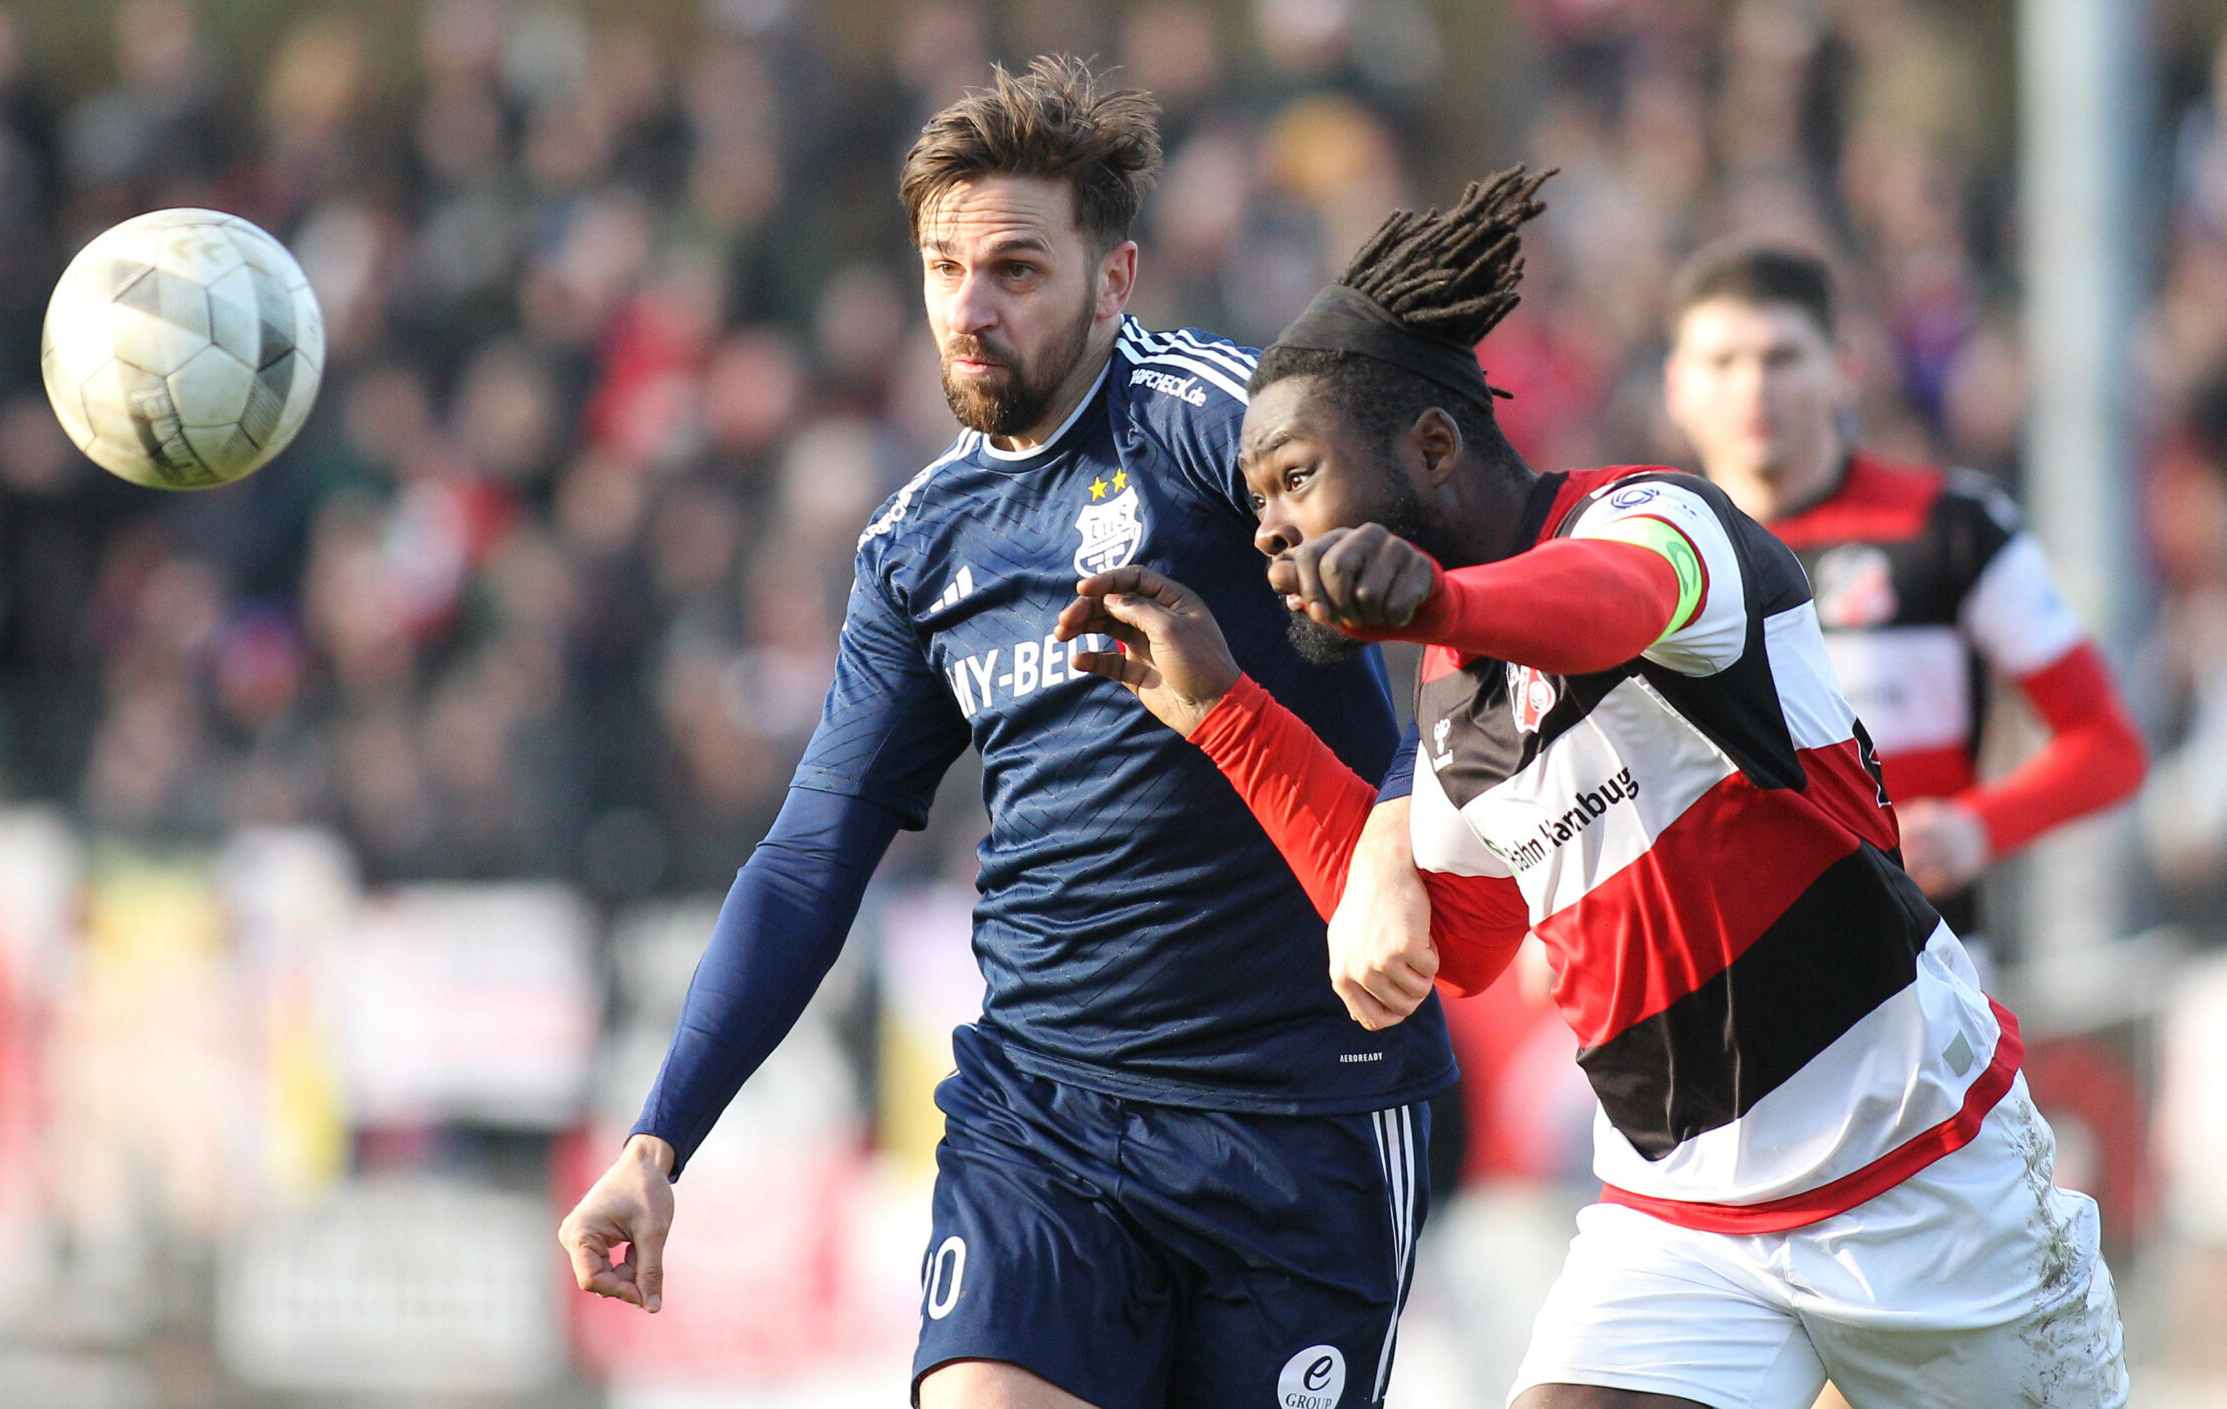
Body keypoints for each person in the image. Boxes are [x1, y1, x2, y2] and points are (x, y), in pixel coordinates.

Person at [1058, 167, 2129, 1409]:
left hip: (1925, 1186)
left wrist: (1441, 600)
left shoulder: (1653, 520)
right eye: (1258, 503)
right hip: (1680, 1226)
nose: (1268, 529)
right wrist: (1223, 714)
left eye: (1295, 477)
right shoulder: (1452, 697)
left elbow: (1611, 605)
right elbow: (1455, 946)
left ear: (1434, 445)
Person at [557, 57, 1455, 1409]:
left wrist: (1396, 832)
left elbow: (1455, 618)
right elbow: (811, 860)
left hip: (1301, 1121)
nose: (968, 310)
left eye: (1017, 271)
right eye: (943, 268)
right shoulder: (918, 546)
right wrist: (658, 1141)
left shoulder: (1223, 423)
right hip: (1046, 1122)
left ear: (1115, 278)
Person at [1660, 243, 2146, 967]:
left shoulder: (1954, 527)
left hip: (1927, 980)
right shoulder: (1647, 561)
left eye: (1783, 356)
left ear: (1844, 369)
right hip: (1730, 998)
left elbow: (2108, 748)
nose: (1754, 387)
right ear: (1676, 386)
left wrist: (1974, 828)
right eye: (1723, 362)